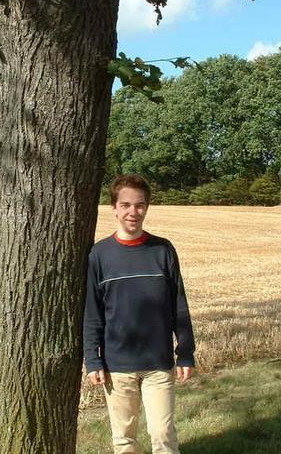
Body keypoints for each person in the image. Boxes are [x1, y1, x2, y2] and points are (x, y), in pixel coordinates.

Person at [83, 174, 196, 454]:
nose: (133, 212)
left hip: (158, 362)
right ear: (114, 208)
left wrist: (185, 352)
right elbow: (93, 312)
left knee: (163, 434)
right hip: (117, 365)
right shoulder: (99, 255)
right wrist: (93, 360)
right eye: (126, 205)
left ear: (147, 207)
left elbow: (178, 306)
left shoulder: (163, 250)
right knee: (124, 441)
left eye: (140, 205)